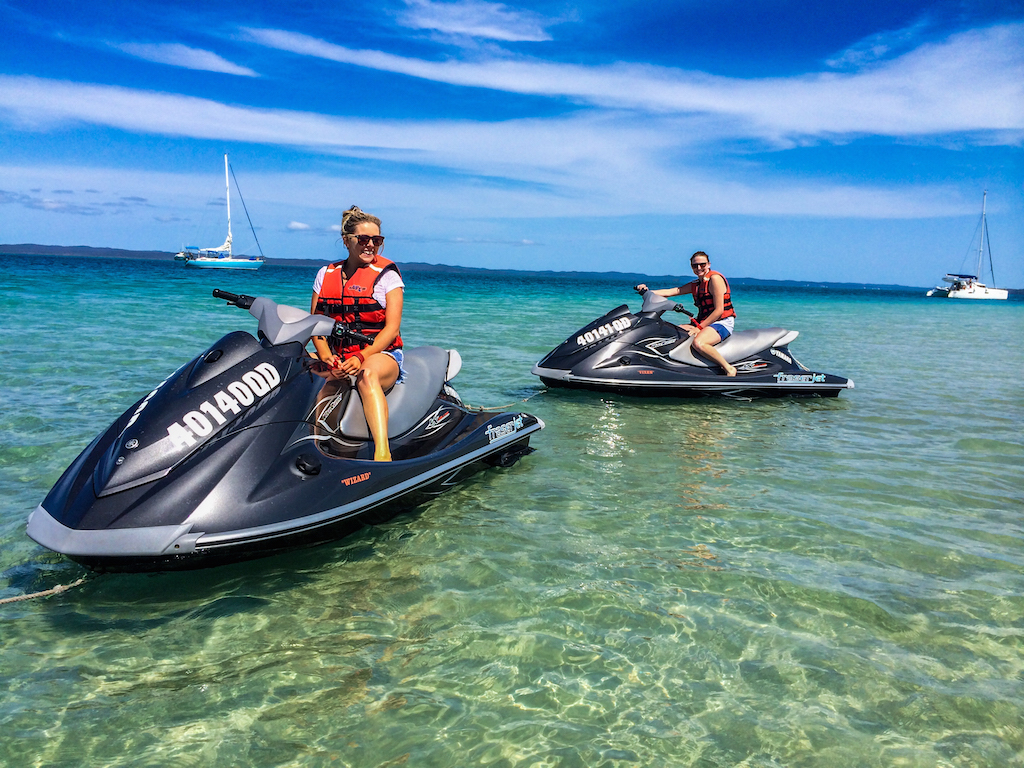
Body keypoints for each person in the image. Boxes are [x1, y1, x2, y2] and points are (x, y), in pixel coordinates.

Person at [311, 205, 405, 461]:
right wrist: (326, 357)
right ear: (346, 240)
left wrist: (361, 357)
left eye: (377, 240)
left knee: (367, 376)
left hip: (379, 355)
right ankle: (310, 448)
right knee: (297, 371)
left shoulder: (388, 277)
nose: (370, 245)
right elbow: (316, 325)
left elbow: (391, 329)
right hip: (338, 355)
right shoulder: (325, 274)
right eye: (363, 239)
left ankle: (382, 453)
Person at [636, 251, 738, 376]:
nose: (699, 268)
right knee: (672, 333)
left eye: (702, 264)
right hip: (704, 322)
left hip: (722, 322)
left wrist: (699, 328)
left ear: (709, 264)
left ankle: (728, 368)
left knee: (699, 343)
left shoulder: (715, 279)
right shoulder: (696, 284)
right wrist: (647, 292)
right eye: (695, 265)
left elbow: (719, 311)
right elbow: (673, 291)